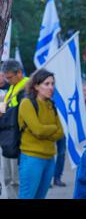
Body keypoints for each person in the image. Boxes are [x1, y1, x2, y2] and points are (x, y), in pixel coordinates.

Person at [18, 68, 64, 199]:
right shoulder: (27, 103)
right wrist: (52, 128)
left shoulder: (51, 104)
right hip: (32, 157)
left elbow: (60, 132)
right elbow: (38, 130)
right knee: (27, 197)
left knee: (40, 197)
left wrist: (47, 130)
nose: (51, 87)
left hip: (50, 158)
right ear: (36, 86)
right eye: (47, 84)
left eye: (52, 83)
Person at [0, 59, 29, 199]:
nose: (7, 80)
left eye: (9, 77)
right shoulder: (13, 86)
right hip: (7, 137)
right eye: (6, 77)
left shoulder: (27, 87)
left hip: (18, 140)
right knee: (7, 178)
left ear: (19, 73)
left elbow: (21, 114)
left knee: (15, 179)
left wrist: (5, 112)